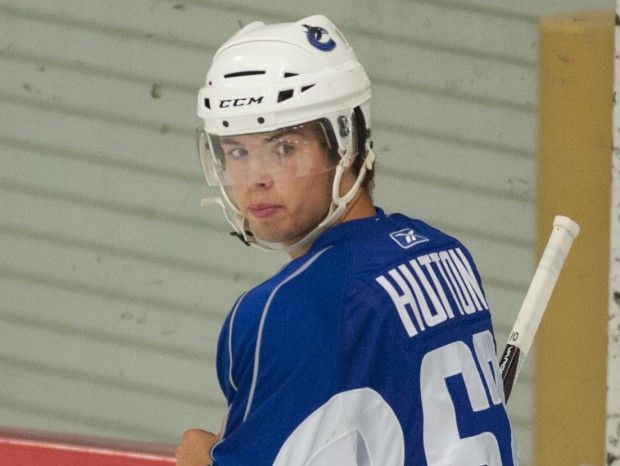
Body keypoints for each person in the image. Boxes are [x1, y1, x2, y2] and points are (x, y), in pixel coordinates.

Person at [176, 14, 518, 466]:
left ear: (347, 144)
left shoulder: (283, 309)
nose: (255, 179)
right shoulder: (446, 253)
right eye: (237, 151)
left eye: (284, 148)